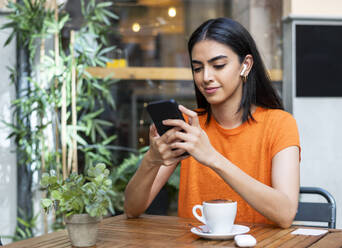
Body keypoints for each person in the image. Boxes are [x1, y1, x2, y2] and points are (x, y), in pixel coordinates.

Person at [124, 17, 300, 228]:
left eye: (218, 65)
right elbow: (132, 209)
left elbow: (285, 213)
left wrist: (211, 157)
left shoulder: (279, 124)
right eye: (197, 68)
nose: (206, 77)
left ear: (246, 65)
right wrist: (152, 159)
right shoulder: (189, 127)